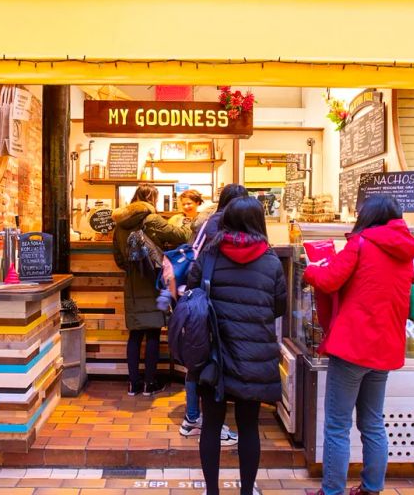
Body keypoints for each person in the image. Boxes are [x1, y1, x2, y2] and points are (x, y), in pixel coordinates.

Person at [303, 194, 414, 495]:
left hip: (353, 346)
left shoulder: (361, 243)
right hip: (386, 348)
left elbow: (328, 280)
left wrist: (310, 269)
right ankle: (371, 488)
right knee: (373, 423)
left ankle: (332, 491)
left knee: (338, 426)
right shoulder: (407, 252)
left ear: (368, 216)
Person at [187, 196, 287, 495]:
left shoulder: (209, 255)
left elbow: (192, 295)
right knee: (248, 426)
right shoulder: (270, 261)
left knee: (212, 426)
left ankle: (212, 491)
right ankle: (246, 491)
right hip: (254, 355)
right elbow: (278, 306)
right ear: (260, 222)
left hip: (213, 355)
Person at [178, 184, 248, 445]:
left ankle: (193, 418)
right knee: (210, 363)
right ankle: (204, 421)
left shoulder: (209, 221)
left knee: (198, 360)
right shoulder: (223, 224)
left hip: (199, 301)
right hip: (212, 302)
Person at [112, 184, 190, 396]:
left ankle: (133, 384)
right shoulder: (152, 220)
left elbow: (118, 258)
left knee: (135, 335)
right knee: (153, 334)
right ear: (152, 199)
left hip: (133, 285)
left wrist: (133, 268)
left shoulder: (119, 225)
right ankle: (149, 384)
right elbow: (181, 236)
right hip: (154, 282)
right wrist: (184, 219)